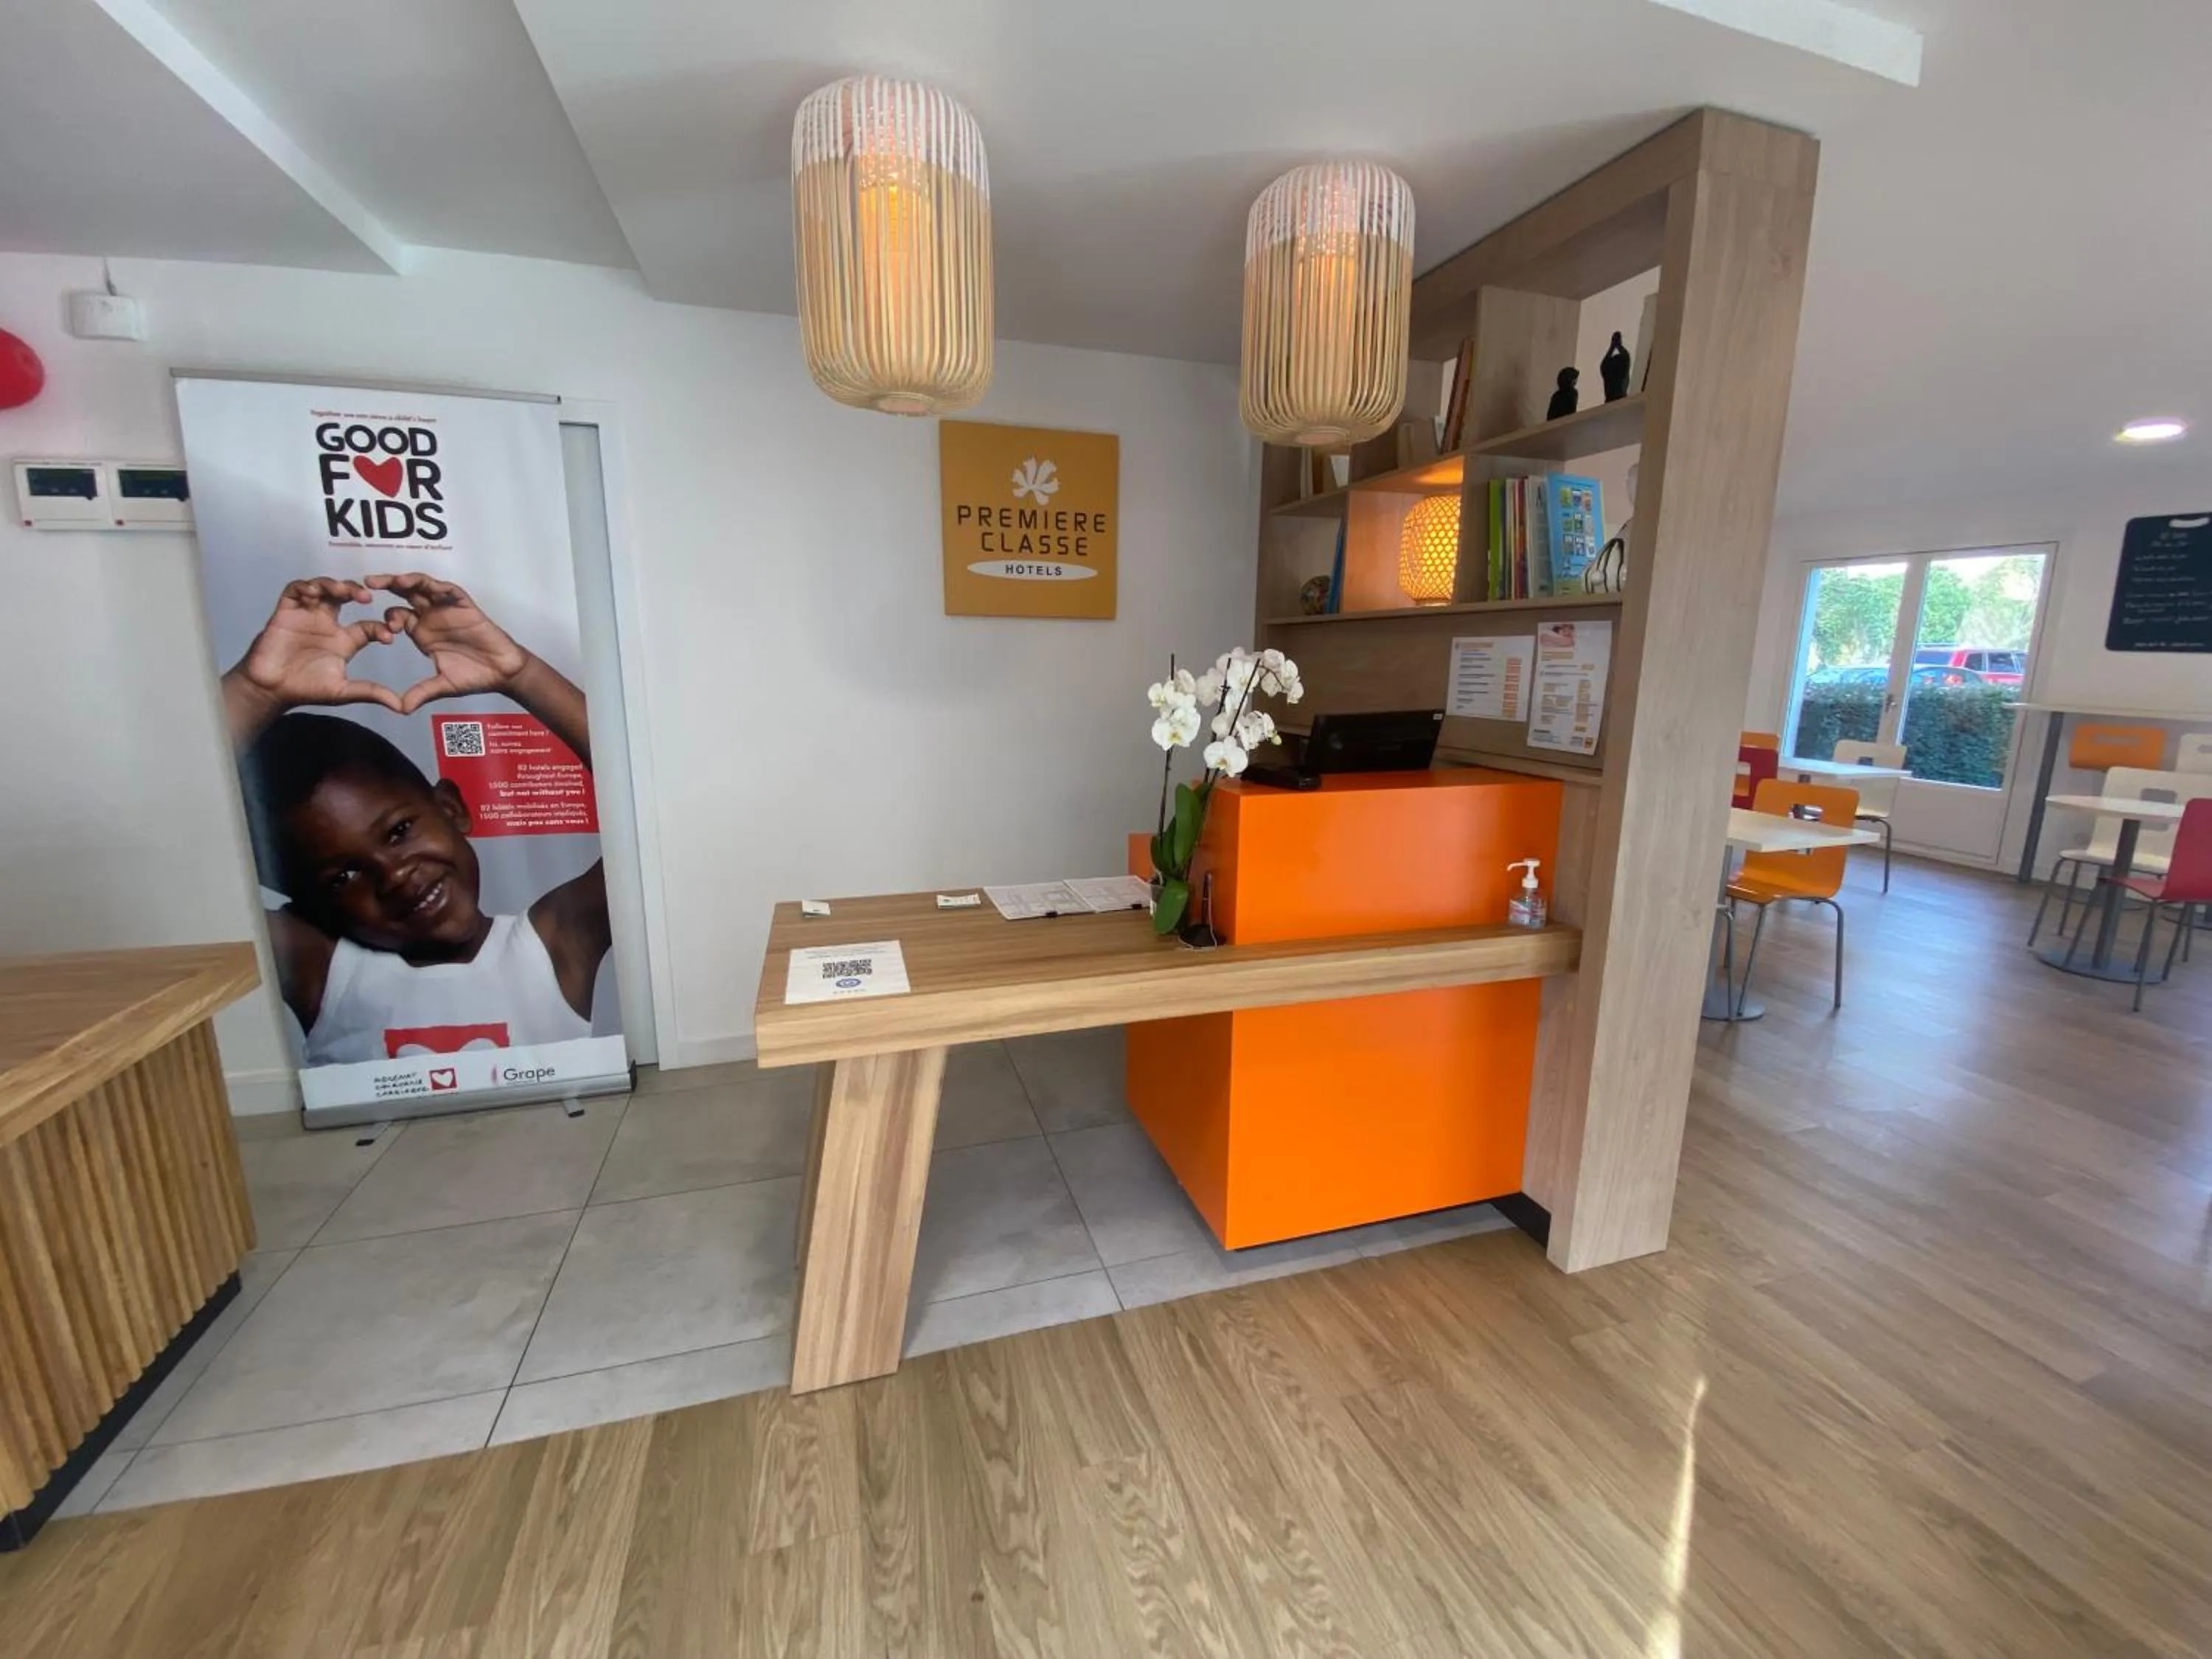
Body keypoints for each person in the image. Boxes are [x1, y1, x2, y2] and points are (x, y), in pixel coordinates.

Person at [221, 574, 610, 1065]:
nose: (395, 876)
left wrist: (521, 675)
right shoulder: (323, 967)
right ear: (304, 903)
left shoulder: (554, 944)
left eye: (400, 832)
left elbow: (648, 811)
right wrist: (255, 692)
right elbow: (173, 839)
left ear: (451, 808)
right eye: (342, 877)